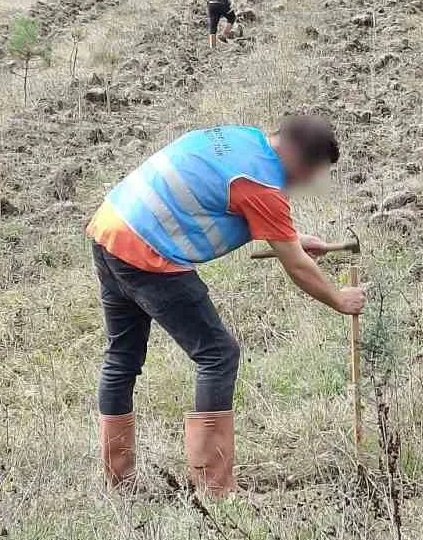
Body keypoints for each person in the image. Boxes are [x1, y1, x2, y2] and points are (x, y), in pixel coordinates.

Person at [86, 116, 366, 497]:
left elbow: (222, 195)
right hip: (147, 254)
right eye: (312, 173)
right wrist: (338, 299)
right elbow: (297, 266)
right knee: (218, 354)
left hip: (110, 227)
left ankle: (120, 484)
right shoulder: (264, 185)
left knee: (122, 356)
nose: (304, 184)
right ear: (300, 160)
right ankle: (215, 489)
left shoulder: (245, 140)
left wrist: (292, 238)